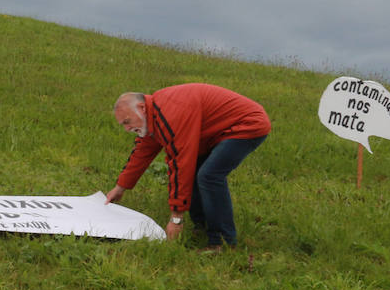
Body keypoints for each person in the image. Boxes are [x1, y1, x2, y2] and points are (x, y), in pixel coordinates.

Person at [104, 84, 270, 250]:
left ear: (141, 108)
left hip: (248, 124)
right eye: (123, 125)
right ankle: (202, 227)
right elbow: (141, 152)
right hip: (213, 133)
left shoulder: (171, 114)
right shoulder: (153, 115)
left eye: (127, 121)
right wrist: (120, 187)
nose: (127, 129)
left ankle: (222, 242)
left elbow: (180, 164)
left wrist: (176, 218)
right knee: (198, 171)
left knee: (209, 176)